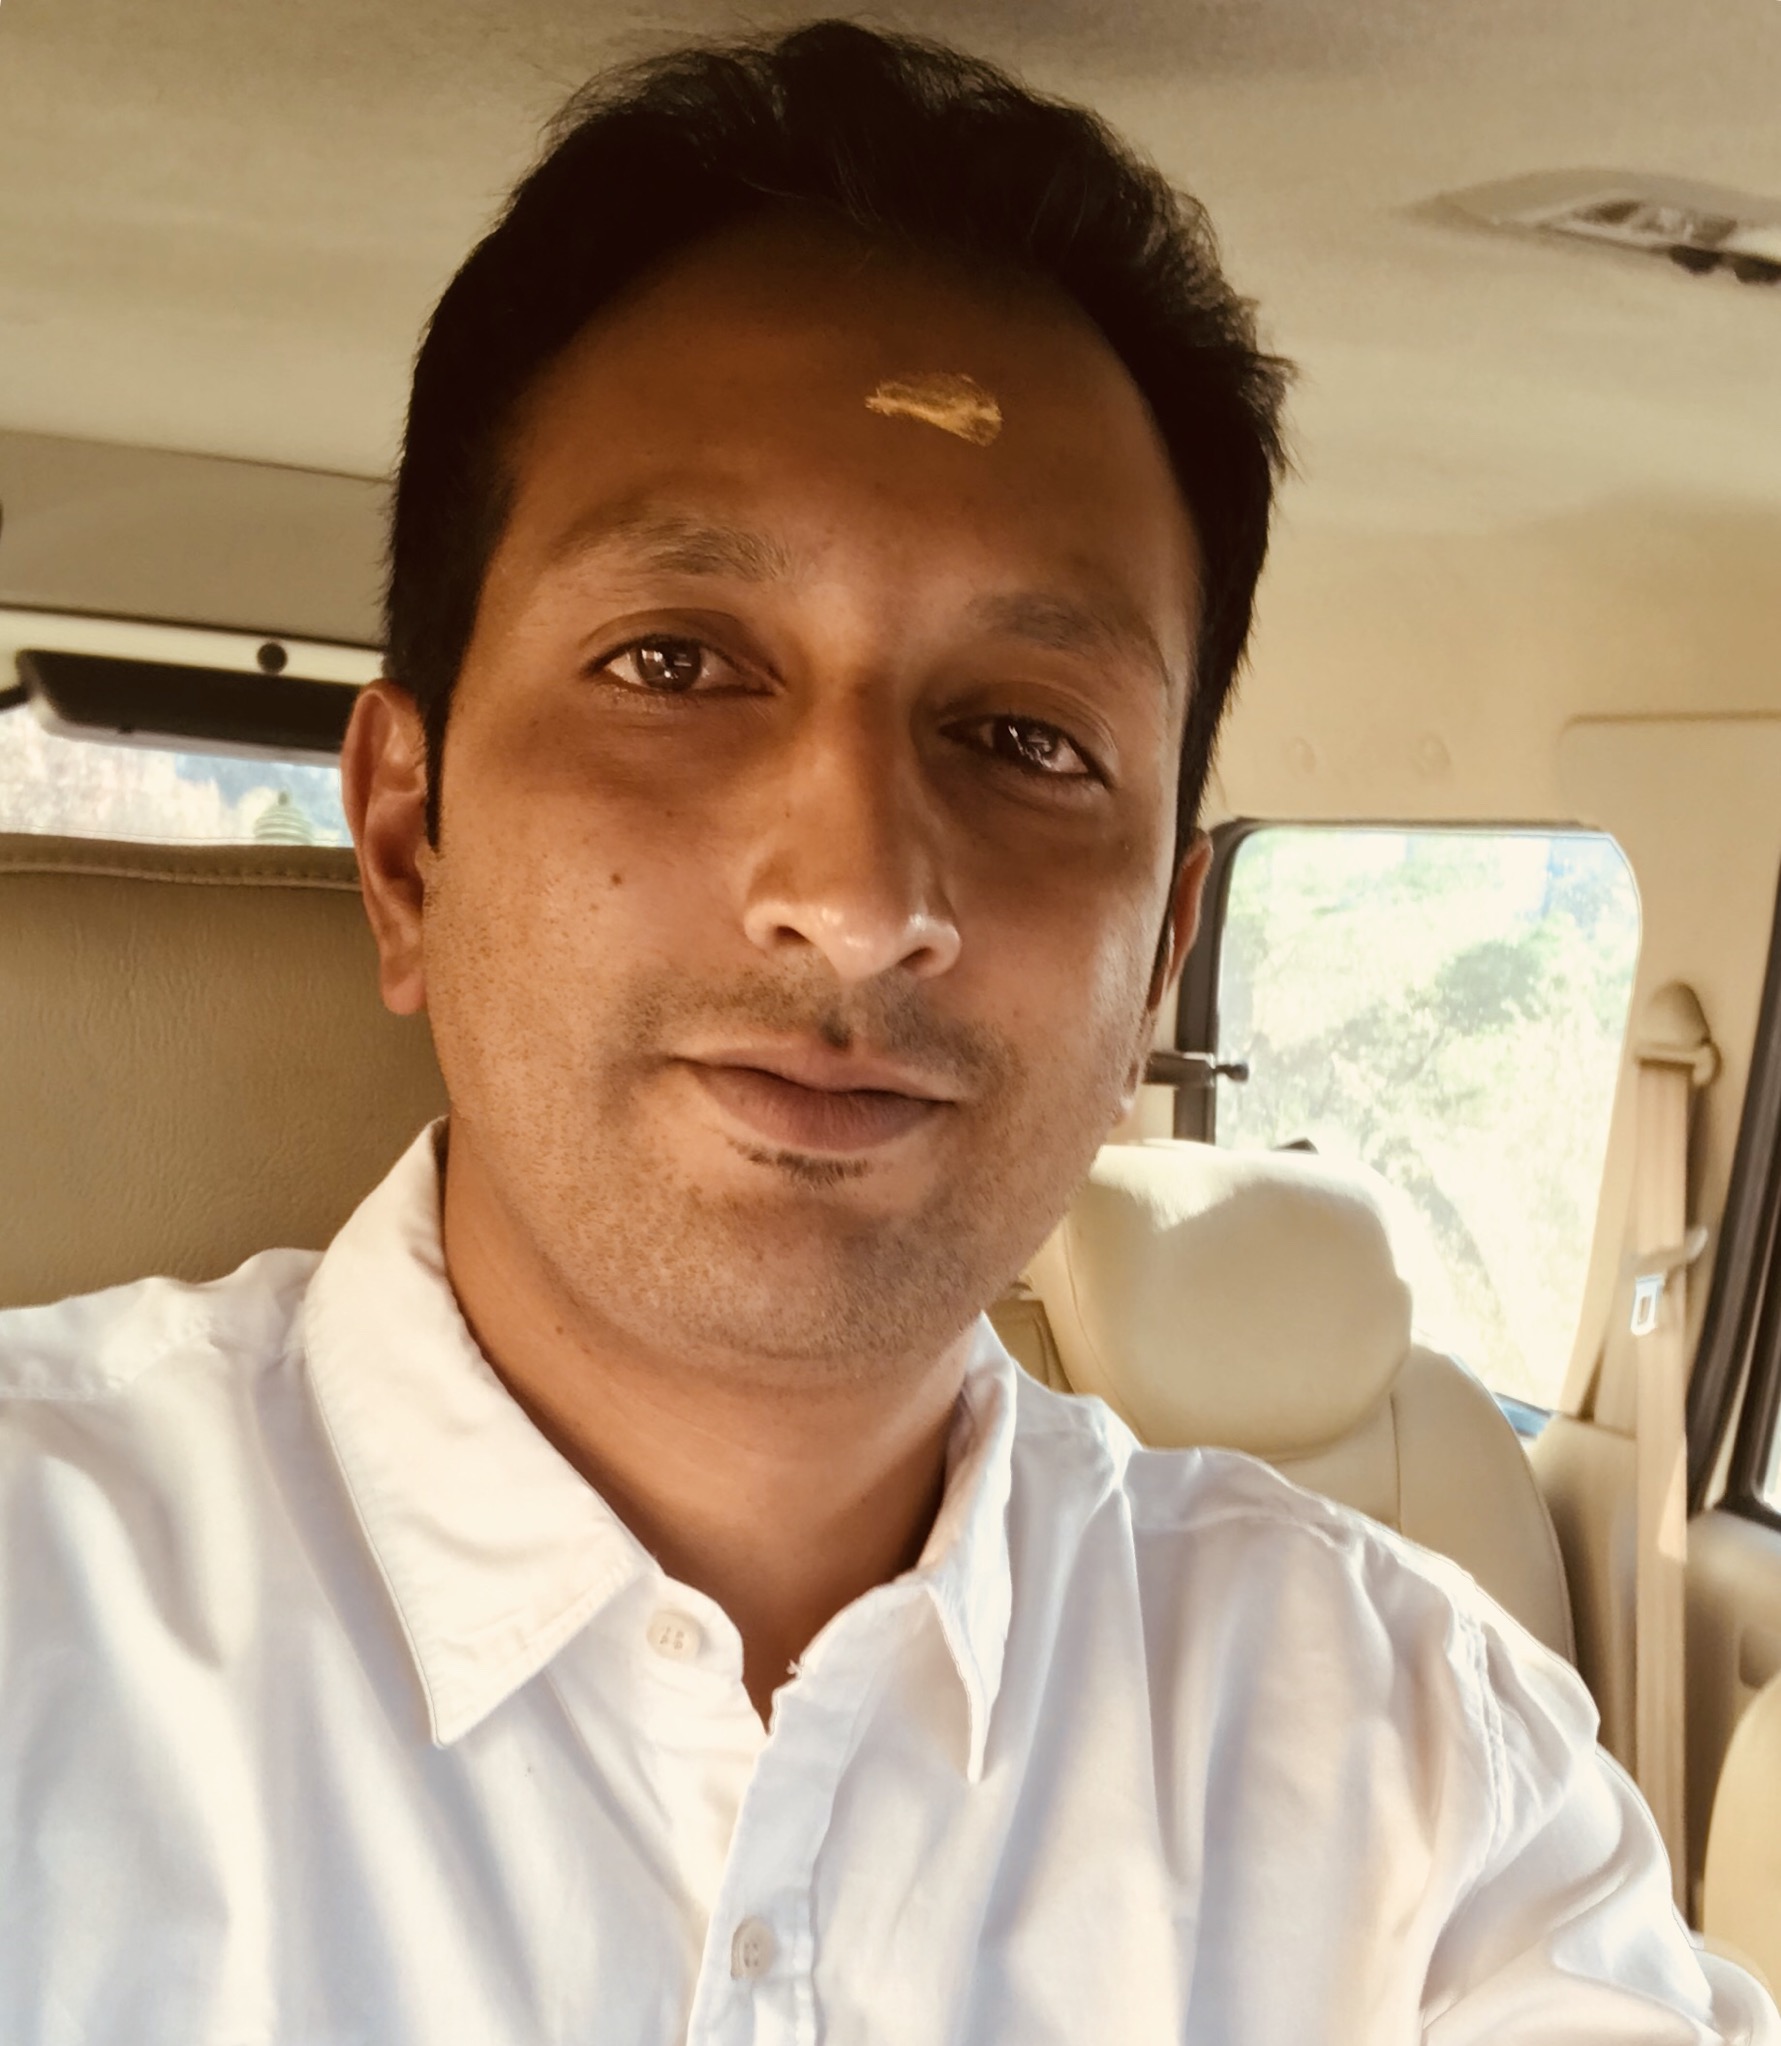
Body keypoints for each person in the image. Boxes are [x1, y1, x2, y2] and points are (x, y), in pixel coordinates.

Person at [0, 20, 1773, 2044]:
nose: (858, 894)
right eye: (676, 664)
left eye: (1024, 737)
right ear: (407, 840)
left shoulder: (1422, 1771)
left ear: (1159, 956)